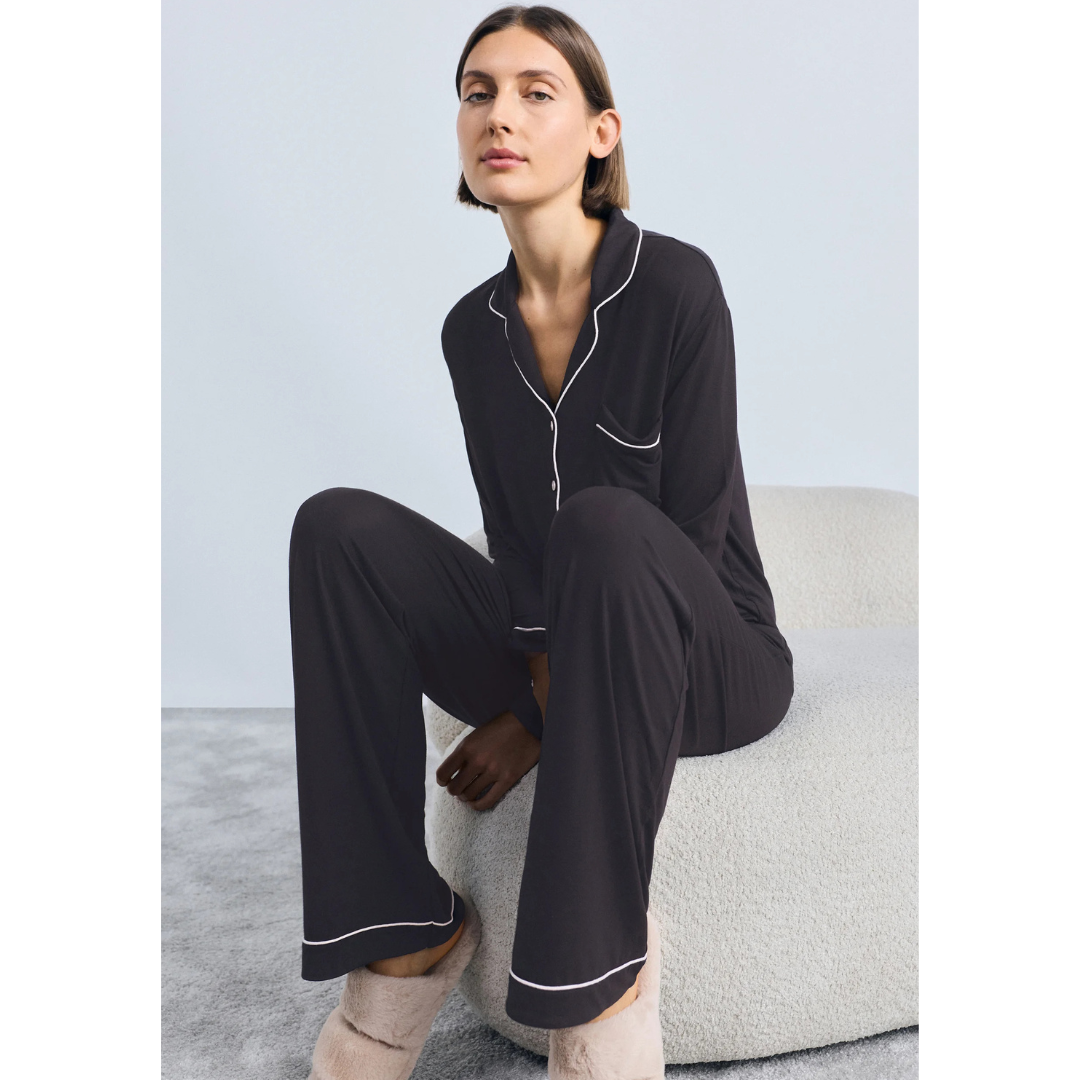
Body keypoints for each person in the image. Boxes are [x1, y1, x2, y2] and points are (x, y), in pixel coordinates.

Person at [289, 6, 794, 1079]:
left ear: (601, 134)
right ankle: (403, 932)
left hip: (709, 658)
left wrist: (529, 720)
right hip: (555, 644)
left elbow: (695, 532)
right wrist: (532, 682)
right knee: (336, 528)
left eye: (535, 92)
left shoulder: (679, 287)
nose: (498, 115)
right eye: (477, 93)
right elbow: (514, 540)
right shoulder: (471, 330)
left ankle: (601, 984)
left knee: (607, 522)